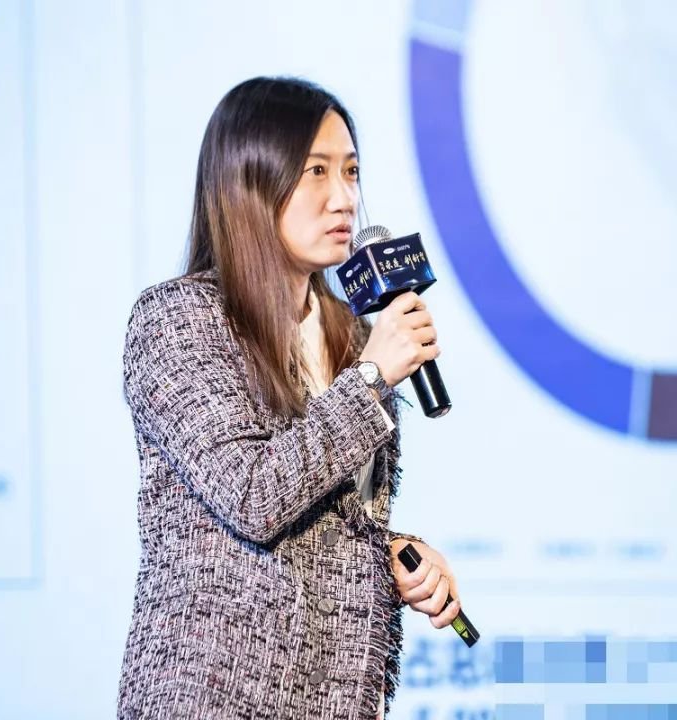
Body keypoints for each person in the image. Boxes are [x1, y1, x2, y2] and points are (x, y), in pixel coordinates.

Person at [116, 76, 465, 719]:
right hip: (218, 696)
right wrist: (370, 379)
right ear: (249, 183)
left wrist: (388, 553)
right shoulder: (179, 320)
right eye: (316, 172)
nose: (344, 199)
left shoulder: (350, 332)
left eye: (352, 172)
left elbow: (324, 507)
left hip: (334, 694)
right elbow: (252, 495)